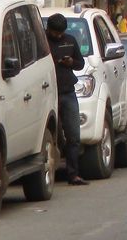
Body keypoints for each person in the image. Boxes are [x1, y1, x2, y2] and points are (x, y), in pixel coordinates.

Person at [45, 14, 88, 185]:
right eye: (55, 33)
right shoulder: (41, 41)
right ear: (48, 29)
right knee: (52, 135)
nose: (58, 36)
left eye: (61, 33)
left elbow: (80, 64)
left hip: (68, 92)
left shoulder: (70, 40)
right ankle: (49, 173)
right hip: (48, 93)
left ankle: (73, 174)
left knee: (73, 136)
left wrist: (71, 62)